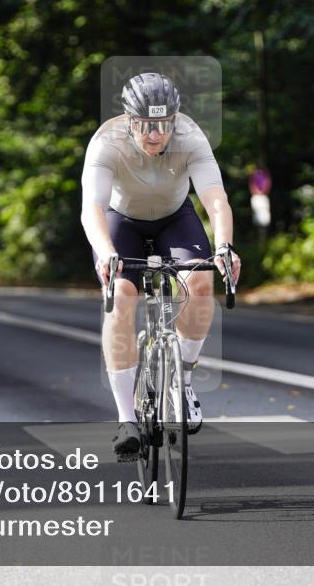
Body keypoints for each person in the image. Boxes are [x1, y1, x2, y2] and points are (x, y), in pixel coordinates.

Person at [80, 72, 241, 458]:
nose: (155, 134)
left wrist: (224, 247)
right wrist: (105, 252)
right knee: (120, 296)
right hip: (122, 220)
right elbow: (93, 209)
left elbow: (215, 199)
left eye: (164, 125)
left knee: (201, 281)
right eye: (147, 125)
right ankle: (126, 420)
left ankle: (183, 380)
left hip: (174, 217)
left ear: (174, 120)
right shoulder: (106, 143)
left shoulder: (190, 136)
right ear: (130, 121)